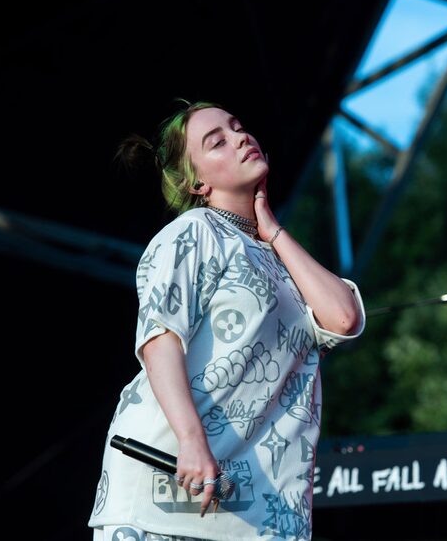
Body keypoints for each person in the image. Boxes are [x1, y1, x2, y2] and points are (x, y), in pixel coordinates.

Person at [88, 100, 365, 541]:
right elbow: (160, 339)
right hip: (168, 488)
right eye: (217, 141)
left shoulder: (279, 259)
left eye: (238, 127)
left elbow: (344, 317)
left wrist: (272, 230)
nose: (240, 138)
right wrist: (191, 440)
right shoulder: (193, 231)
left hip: (261, 510)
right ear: (197, 182)